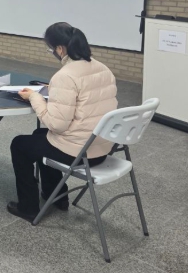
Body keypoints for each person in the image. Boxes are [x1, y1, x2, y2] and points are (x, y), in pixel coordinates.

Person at [7, 22, 117, 222]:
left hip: (80, 153)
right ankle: (57, 197)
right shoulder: (102, 68)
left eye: (51, 49)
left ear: (60, 49)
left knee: (19, 145)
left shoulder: (65, 76)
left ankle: (28, 207)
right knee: (39, 136)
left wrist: (34, 97)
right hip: (102, 147)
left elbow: (56, 125)